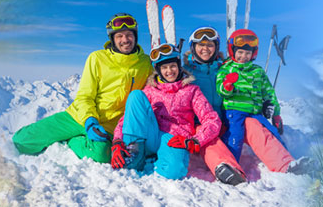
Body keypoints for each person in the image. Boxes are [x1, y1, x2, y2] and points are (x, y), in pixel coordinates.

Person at [12, 13, 153, 163]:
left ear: (135, 36)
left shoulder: (145, 64)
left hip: (110, 126)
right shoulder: (97, 58)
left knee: (101, 155)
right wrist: (90, 121)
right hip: (79, 117)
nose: (125, 40)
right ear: (112, 38)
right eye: (119, 36)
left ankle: (71, 141)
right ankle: (71, 132)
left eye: (129, 35)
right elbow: (85, 96)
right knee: (22, 141)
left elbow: (160, 84)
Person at [109, 43, 222, 180]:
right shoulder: (151, 89)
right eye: (164, 67)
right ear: (158, 70)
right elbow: (131, 116)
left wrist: (196, 140)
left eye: (173, 66)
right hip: (151, 133)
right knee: (136, 96)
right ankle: (134, 155)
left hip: (174, 139)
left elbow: (211, 119)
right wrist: (117, 140)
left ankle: (156, 157)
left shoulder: (191, 90)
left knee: (174, 172)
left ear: (178, 66)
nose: (169, 71)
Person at [217, 29, 293, 173]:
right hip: (234, 110)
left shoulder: (257, 71)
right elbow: (220, 89)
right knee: (235, 136)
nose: (243, 56)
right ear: (232, 51)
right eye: (240, 52)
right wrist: (227, 86)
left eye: (247, 53)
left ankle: (288, 162)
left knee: (270, 132)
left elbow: (269, 92)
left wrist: (275, 113)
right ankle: (230, 165)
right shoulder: (226, 69)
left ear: (253, 53)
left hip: (254, 112)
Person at [182, 26, 247, 185]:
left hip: (224, 120)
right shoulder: (185, 72)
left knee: (251, 125)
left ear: (216, 48)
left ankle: (284, 161)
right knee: (210, 140)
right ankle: (225, 167)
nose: (205, 49)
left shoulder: (224, 69)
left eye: (210, 45)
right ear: (193, 47)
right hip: (198, 124)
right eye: (201, 45)